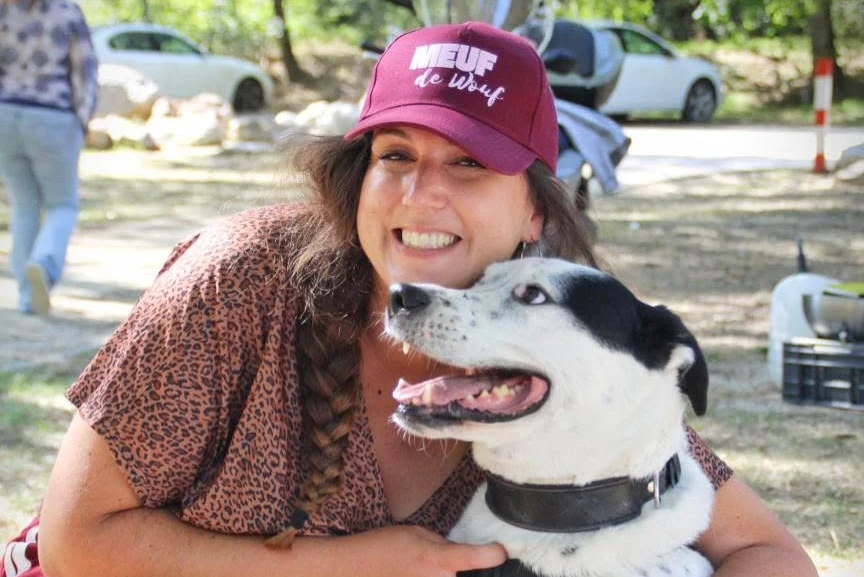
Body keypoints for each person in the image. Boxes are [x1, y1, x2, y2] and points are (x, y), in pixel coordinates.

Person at [1, 22, 817, 577]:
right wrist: (341, 566)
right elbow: (77, 543)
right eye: (395, 154)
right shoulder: (238, 281)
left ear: (535, 210)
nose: (421, 194)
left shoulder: (564, 349)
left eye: (469, 163)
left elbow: (771, 553)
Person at [0, 0, 98, 316]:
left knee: (24, 205)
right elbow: (85, 69)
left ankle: (27, 298)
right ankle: (45, 263)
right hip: (53, 116)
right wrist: (84, 119)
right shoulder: (66, 10)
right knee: (62, 204)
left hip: (5, 114)